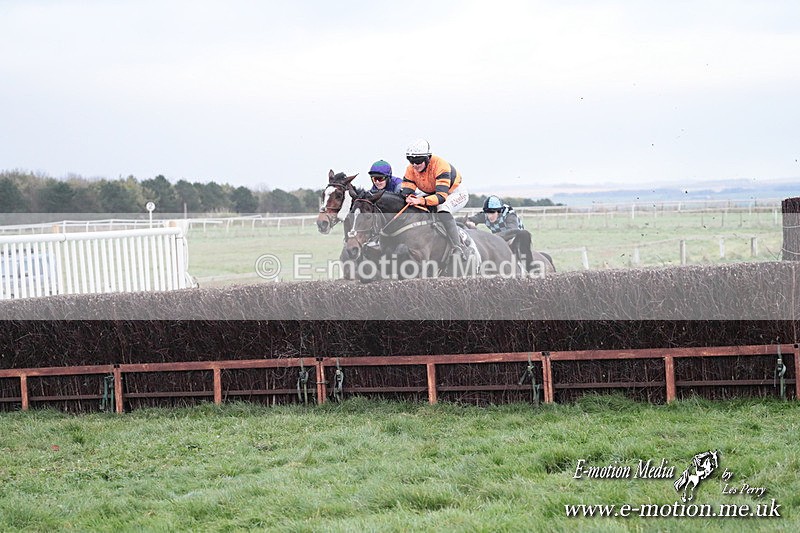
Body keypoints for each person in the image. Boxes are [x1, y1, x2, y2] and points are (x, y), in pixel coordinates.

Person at [401, 138, 471, 259]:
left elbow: (441, 197)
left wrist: (420, 200)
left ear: (427, 158)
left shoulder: (441, 166)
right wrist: (408, 197)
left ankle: (458, 247)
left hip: (453, 193)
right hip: (433, 192)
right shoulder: (410, 169)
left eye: (418, 161)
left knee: (443, 209)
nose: (414, 165)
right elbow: (407, 190)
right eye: (411, 160)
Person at [466, 195, 537, 271]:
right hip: (499, 239)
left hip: (514, 238)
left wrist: (492, 237)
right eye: (488, 213)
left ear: (499, 211)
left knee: (523, 235)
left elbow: (512, 231)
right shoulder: (485, 215)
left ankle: (530, 269)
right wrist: (470, 223)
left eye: (492, 213)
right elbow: (469, 220)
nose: (489, 216)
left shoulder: (510, 215)